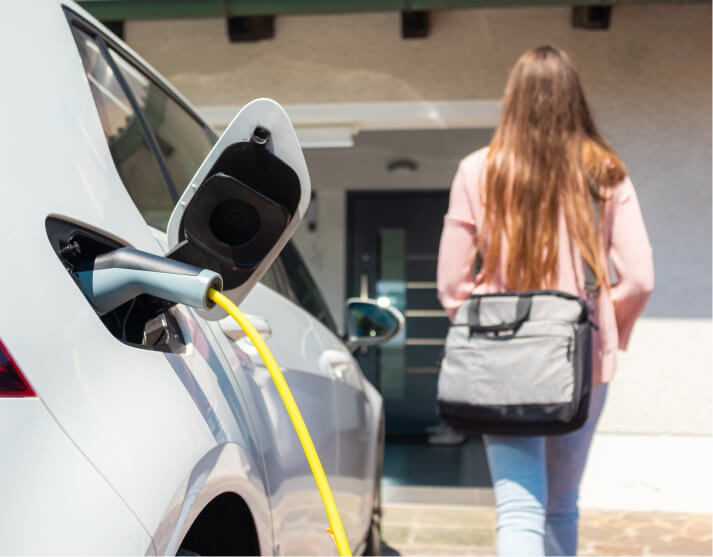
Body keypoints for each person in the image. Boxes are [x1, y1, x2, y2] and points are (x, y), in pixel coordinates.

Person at [436, 45, 654, 556]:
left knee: (519, 508)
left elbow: (450, 284)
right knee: (562, 503)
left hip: (501, 358)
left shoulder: (476, 170)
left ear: (513, 99)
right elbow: (640, 278)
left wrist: (487, 325)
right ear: (574, 98)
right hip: (582, 359)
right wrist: (606, 327)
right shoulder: (605, 172)